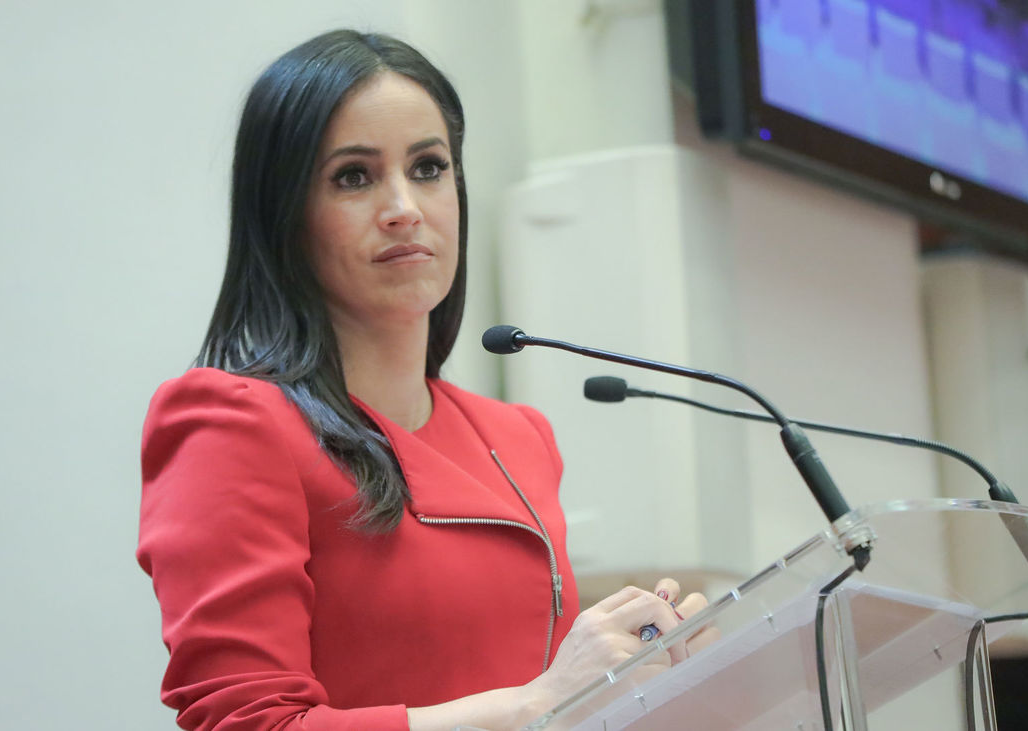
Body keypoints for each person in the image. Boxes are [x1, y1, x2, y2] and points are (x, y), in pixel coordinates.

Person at [136, 29, 708, 731]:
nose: (404, 206)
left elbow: (548, 697)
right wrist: (535, 701)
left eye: (430, 167)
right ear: (285, 214)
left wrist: (653, 664)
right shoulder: (230, 422)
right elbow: (249, 723)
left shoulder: (521, 437)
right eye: (354, 176)